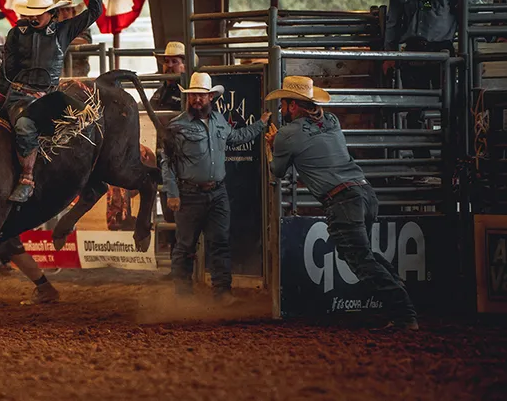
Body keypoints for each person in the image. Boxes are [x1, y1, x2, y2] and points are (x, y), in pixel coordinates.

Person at [265, 76, 418, 330]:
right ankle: (397, 287)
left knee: (359, 259)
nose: (280, 110)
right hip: (365, 192)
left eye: (283, 104)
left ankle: (404, 312)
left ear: (293, 105)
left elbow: (278, 171)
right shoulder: (331, 120)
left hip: (343, 201)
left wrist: (272, 147)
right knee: (363, 254)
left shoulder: (287, 134)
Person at [0, 0, 102, 202]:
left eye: (39, 13)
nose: (33, 17)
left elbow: (95, 11)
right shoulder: (17, 33)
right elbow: (6, 70)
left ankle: (27, 178)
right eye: (31, 13)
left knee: (24, 126)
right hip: (16, 93)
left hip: (45, 97)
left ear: (51, 13)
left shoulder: (64, 30)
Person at [160, 72, 270, 303]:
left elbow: (238, 137)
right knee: (185, 245)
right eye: (193, 96)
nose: (196, 100)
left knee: (219, 241)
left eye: (201, 95)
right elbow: (167, 161)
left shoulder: (219, 121)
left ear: (210, 97)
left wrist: (260, 125)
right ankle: (182, 295)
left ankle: (222, 291)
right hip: (189, 194)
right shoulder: (177, 126)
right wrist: (172, 193)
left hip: (217, 192)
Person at [382, 0, 466, 161]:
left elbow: (464, 16)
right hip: (414, 52)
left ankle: (451, 158)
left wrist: (472, 46)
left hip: (442, 52)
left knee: (450, 106)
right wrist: (389, 55)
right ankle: (422, 159)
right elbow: (392, 23)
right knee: (414, 107)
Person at [56, 0, 93, 78]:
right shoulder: (51, 29)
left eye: (68, 9)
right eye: (61, 10)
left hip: (79, 77)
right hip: (57, 78)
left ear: (73, 11)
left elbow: (85, 42)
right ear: (56, 14)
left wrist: (60, 38)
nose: (65, 13)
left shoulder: (81, 26)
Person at [150, 41, 187, 113]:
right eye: (166, 61)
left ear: (184, 67)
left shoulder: (188, 92)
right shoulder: (160, 91)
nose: (169, 65)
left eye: (174, 61)